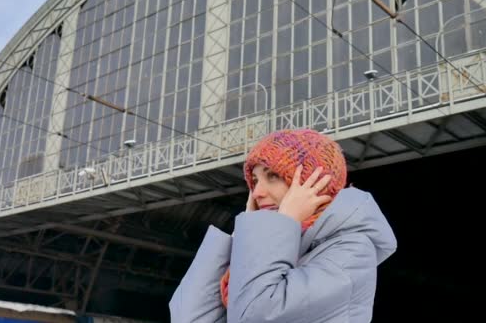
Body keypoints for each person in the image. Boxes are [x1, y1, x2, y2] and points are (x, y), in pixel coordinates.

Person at [169, 129, 397, 323]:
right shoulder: (273, 244)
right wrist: (241, 235)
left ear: (315, 183)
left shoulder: (352, 251)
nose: (257, 192)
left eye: (273, 176)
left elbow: (255, 314)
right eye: (255, 180)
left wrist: (279, 224)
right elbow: (188, 318)